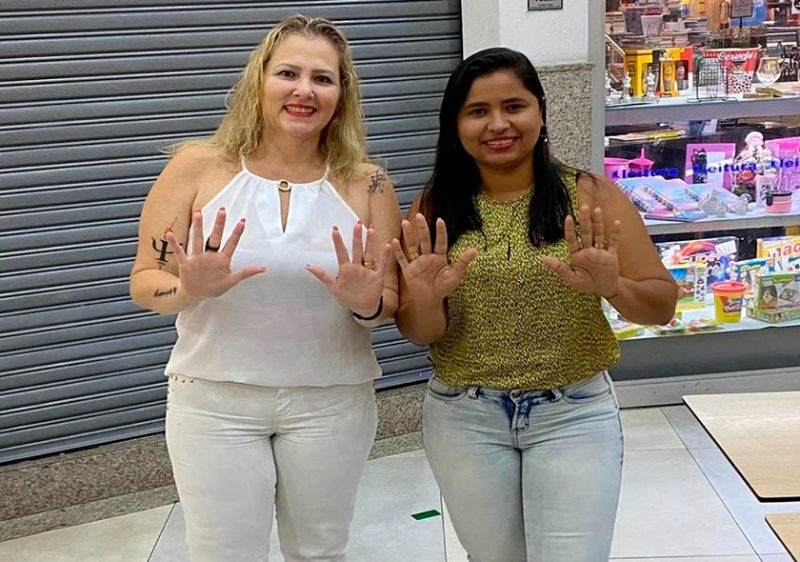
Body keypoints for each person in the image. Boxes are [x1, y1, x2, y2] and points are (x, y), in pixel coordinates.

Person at [129, 15, 401, 562]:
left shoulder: (368, 182)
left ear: (342, 95)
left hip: (332, 401)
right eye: (288, 74)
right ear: (260, 81)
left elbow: (387, 303)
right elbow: (145, 281)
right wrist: (189, 290)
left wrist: (365, 304)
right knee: (222, 553)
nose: (304, 91)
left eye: (323, 79)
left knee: (320, 550)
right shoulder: (195, 167)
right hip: (214, 402)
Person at [393, 47, 678, 562]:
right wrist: (427, 299)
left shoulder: (591, 196)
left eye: (514, 106)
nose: (498, 124)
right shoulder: (435, 206)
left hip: (574, 414)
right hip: (464, 416)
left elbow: (660, 307)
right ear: (455, 125)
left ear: (540, 112)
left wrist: (612, 286)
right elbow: (421, 332)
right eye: (477, 111)